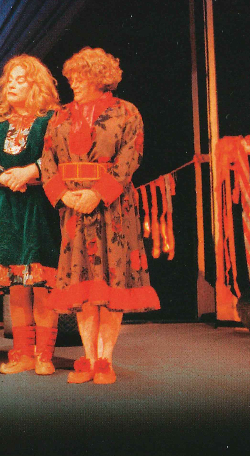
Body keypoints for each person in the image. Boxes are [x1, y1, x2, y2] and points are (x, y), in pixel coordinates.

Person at [40, 47, 160, 385]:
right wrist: (64, 195)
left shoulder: (126, 112)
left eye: (80, 77)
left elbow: (130, 157)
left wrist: (98, 193)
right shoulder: (60, 115)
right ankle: (89, 359)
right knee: (82, 286)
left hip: (113, 208)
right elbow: (47, 159)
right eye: (72, 77)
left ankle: (106, 360)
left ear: (99, 78)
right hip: (74, 209)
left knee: (111, 282)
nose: (74, 83)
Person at [0, 54, 63, 376]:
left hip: (40, 209)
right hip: (4, 211)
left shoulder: (51, 121)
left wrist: (31, 171)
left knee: (43, 284)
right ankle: (22, 353)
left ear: (36, 85)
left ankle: (44, 355)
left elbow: (61, 155)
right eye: (9, 79)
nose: (12, 85)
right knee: (17, 287)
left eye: (20, 80)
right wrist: (2, 176)